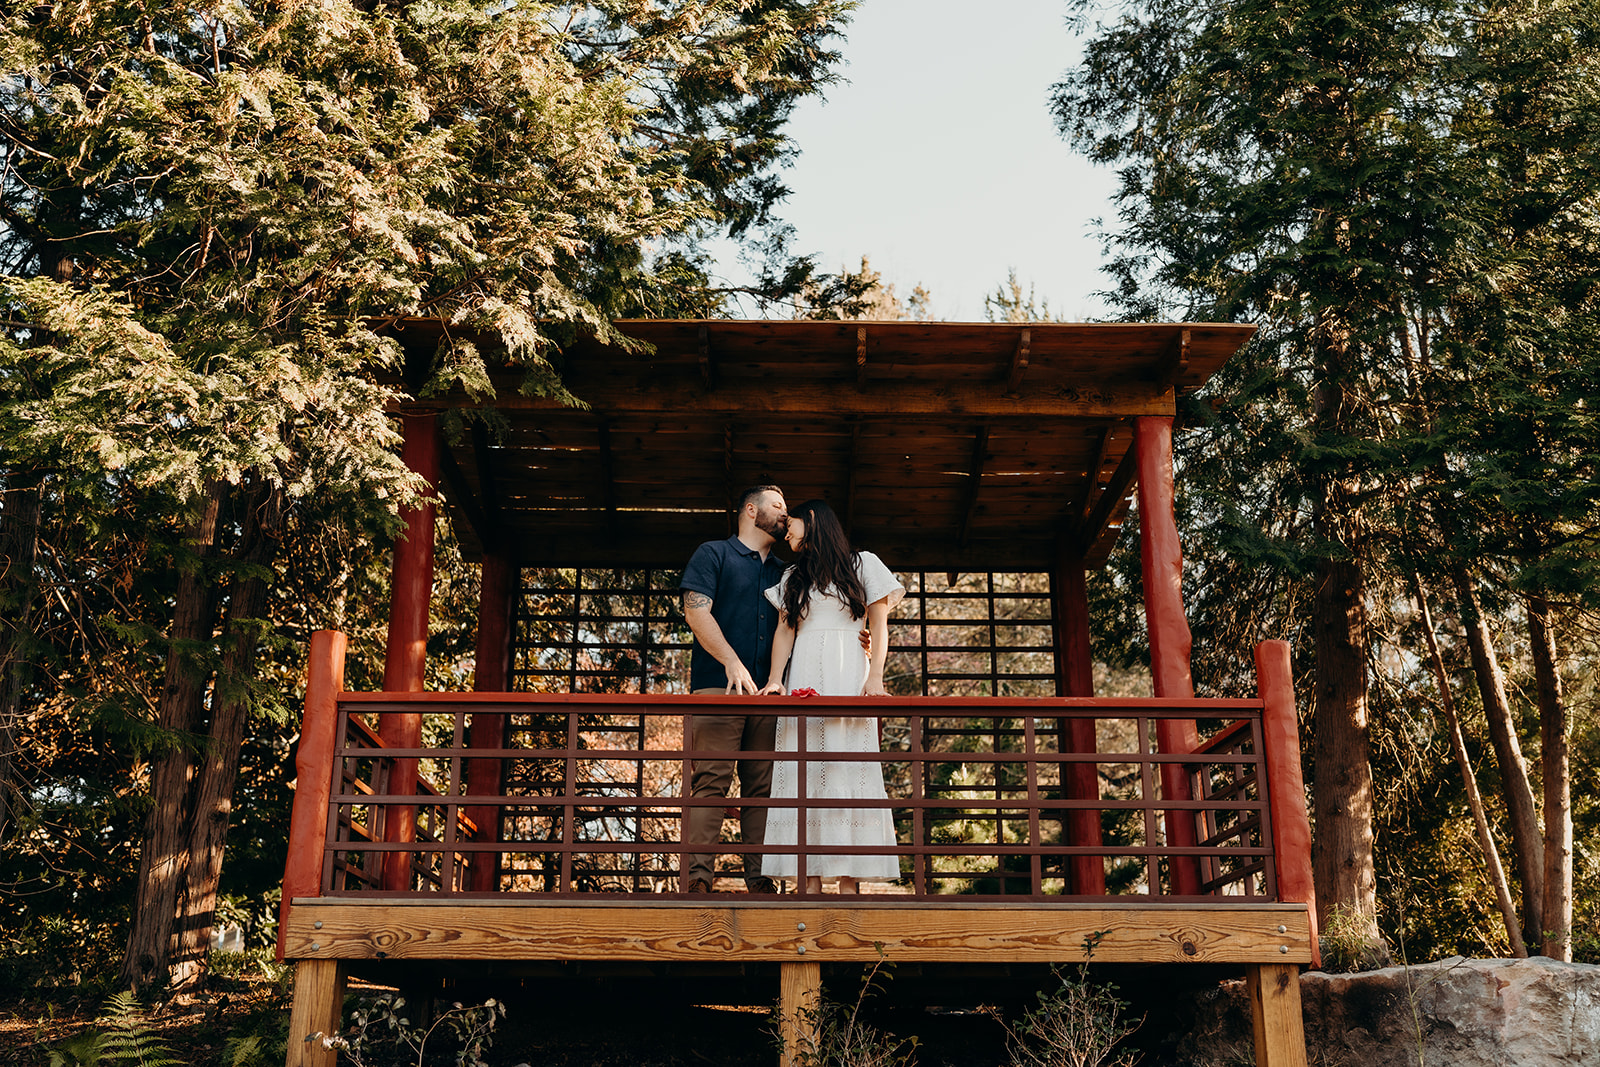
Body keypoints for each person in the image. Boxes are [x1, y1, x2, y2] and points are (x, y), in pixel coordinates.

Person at [758, 499, 904, 894]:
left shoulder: (864, 564)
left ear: (814, 521)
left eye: (792, 524)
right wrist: (775, 680)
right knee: (805, 773)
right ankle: (808, 884)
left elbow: (878, 624)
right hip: (805, 671)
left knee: (846, 766)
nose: (786, 531)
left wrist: (875, 677)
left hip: (848, 673)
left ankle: (848, 882)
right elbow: (785, 631)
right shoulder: (793, 576)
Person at [678, 485, 790, 895]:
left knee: (762, 789)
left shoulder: (785, 570)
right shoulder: (713, 554)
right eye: (778, 506)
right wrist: (731, 661)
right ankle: (697, 881)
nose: (784, 514)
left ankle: (760, 880)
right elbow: (696, 610)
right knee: (711, 783)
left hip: (769, 695)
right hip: (717, 688)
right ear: (750, 509)